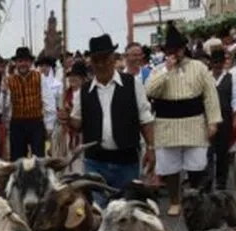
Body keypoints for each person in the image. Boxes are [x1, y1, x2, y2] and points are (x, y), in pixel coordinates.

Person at [145, 21, 222, 216]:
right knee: (170, 168)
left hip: (194, 123)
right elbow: (149, 90)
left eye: (177, 50)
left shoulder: (199, 67)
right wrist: (166, 71)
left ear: (183, 49)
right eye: (170, 51)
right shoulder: (158, 70)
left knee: (196, 166)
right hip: (167, 125)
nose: (174, 54)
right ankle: (174, 200)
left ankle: (196, 199)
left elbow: (210, 95)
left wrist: (213, 121)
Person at [72, 34, 155, 196]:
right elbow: (77, 123)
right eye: (97, 60)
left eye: (105, 59)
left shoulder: (132, 84)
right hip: (95, 161)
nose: (102, 64)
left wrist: (151, 148)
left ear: (113, 58)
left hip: (126, 161)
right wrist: (66, 119)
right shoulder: (84, 91)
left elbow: (145, 119)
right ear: (91, 63)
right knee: (97, 209)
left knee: (125, 209)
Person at [0, 47, 50, 158]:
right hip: (17, 124)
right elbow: (4, 107)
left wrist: (48, 126)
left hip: (36, 123)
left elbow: (47, 101)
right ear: (16, 63)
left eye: (26, 61)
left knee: (39, 159)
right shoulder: (8, 80)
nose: (23, 64)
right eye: (20, 61)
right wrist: (3, 93)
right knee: (18, 160)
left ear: (31, 62)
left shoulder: (39, 77)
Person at [208, 48, 236, 190]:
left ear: (224, 63)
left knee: (223, 152)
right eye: (215, 62)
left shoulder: (231, 78)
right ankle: (208, 180)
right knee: (208, 152)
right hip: (209, 119)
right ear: (211, 63)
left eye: (220, 62)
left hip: (225, 118)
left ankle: (221, 182)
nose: (217, 65)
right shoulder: (206, 77)